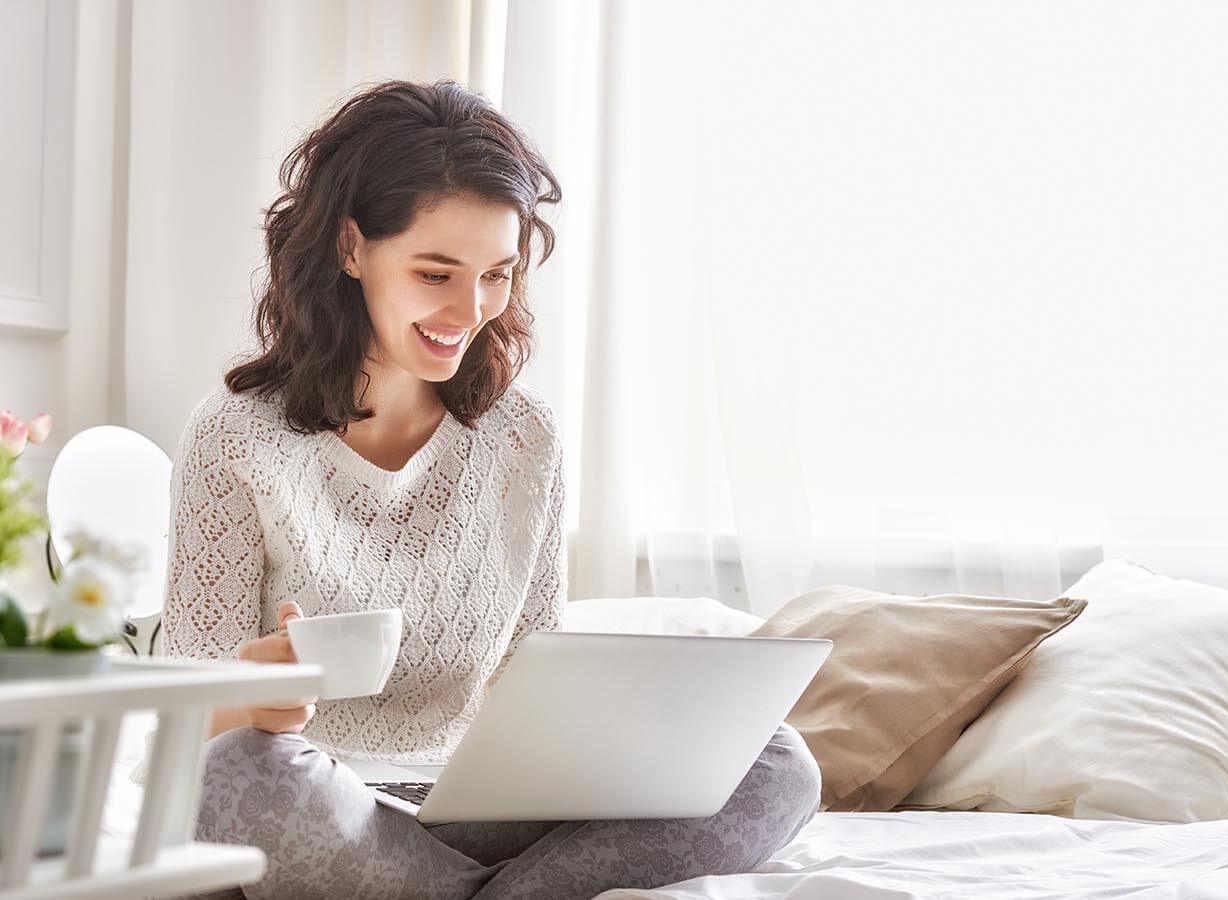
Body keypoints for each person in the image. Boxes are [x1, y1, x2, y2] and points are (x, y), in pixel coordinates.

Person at [163, 78, 821, 900]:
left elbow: (531, 679)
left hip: (475, 806)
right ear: (350, 248)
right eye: (435, 273)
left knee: (778, 759)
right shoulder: (235, 436)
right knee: (239, 779)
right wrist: (257, 700)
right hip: (314, 795)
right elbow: (186, 731)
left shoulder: (525, 438)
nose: (468, 310)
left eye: (497, 275)